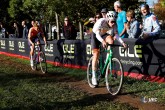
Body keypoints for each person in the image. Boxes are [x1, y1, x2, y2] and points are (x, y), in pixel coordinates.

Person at [91, 11, 127, 86]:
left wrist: (122, 43)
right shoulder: (101, 22)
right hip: (95, 35)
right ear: (107, 20)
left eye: (115, 21)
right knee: (96, 54)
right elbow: (97, 35)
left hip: (103, 34)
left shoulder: (114, 25)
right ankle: (94, 76)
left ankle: (108, 59)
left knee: (111, 40)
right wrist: (103, 41)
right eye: (112, 22)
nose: (113, 23)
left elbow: (116, 36)